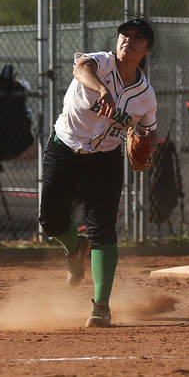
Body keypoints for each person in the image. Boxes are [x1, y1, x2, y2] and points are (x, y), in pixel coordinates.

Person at [39, 17, 158, 328]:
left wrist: (143, 148)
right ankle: (74, 247)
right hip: (64, 147)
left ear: (147, 49)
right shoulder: (101, 63)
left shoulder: (145, 96)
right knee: (50, 219)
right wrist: (102, 90)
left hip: (104, 159)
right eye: (124, 34)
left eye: (137, 37)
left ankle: (101, 305)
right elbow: (81, 69)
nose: (128, 40)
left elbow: (148, 132)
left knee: (102, 228)